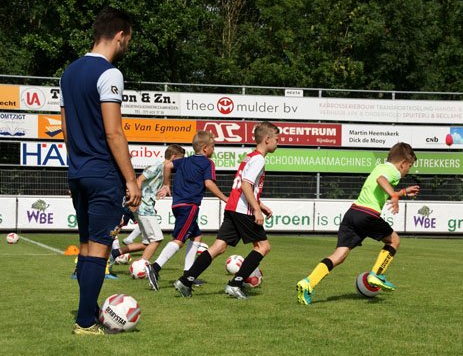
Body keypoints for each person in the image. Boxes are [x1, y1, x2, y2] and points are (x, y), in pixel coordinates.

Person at [60, 6, 140, 335]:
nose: (127, 45)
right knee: (99, 249)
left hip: (78, 171)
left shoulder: (68, 73)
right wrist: (131, 179)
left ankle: (90, 311)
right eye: (128, 39)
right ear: (119, 35)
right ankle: (85, 323)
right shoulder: (109, 73)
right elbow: (114, 132)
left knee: (86, 246)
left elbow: (66, 129)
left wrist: (78, 163)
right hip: (103, 174)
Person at [296, 142, 420, 305]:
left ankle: (308, 283)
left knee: (339, 255)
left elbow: (379, 184)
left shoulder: (381, 167)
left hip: (353, 214)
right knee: (394, 240)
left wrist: (401, 192)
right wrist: (394, 196)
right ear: (403, 163)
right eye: (409, 167)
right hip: (367, 214)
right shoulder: (393, 171)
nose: (407, 171)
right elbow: (381, 180)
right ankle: (376, 274)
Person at [172, 121, 280, 299]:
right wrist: (256, 209)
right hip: (243, 210)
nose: (278, 142)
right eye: (276, 139)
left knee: (219, 247)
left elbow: (242, 186)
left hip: (233, 207)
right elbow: (246, 185)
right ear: (267, 139)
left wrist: (261, 205)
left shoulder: (250, 156)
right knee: (263, 246)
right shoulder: (259, 159)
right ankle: (235, 284)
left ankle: (185, 281)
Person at [145, 131, 228, 290]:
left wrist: (166, 184)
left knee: (197, 236)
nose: (214, 150)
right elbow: (209, 183)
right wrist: (225, 198)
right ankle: (154, 267)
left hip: (178, 205)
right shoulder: (207, 163)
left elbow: (167, 165)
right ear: (205, 148)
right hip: (189, 206)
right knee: (179, 240)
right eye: (213, 147)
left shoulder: (184, 161)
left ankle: (188, 275)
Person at [110, 144, 186, 265]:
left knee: (146, 244)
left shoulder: (163, 170)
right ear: (173, 156)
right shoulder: (158, 166)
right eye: (180, 159)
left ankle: (114, 253)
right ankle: (141, 266)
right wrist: (135, 201)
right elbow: (139, 180)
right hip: (143, 207)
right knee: (157, 239)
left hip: (144, 206)